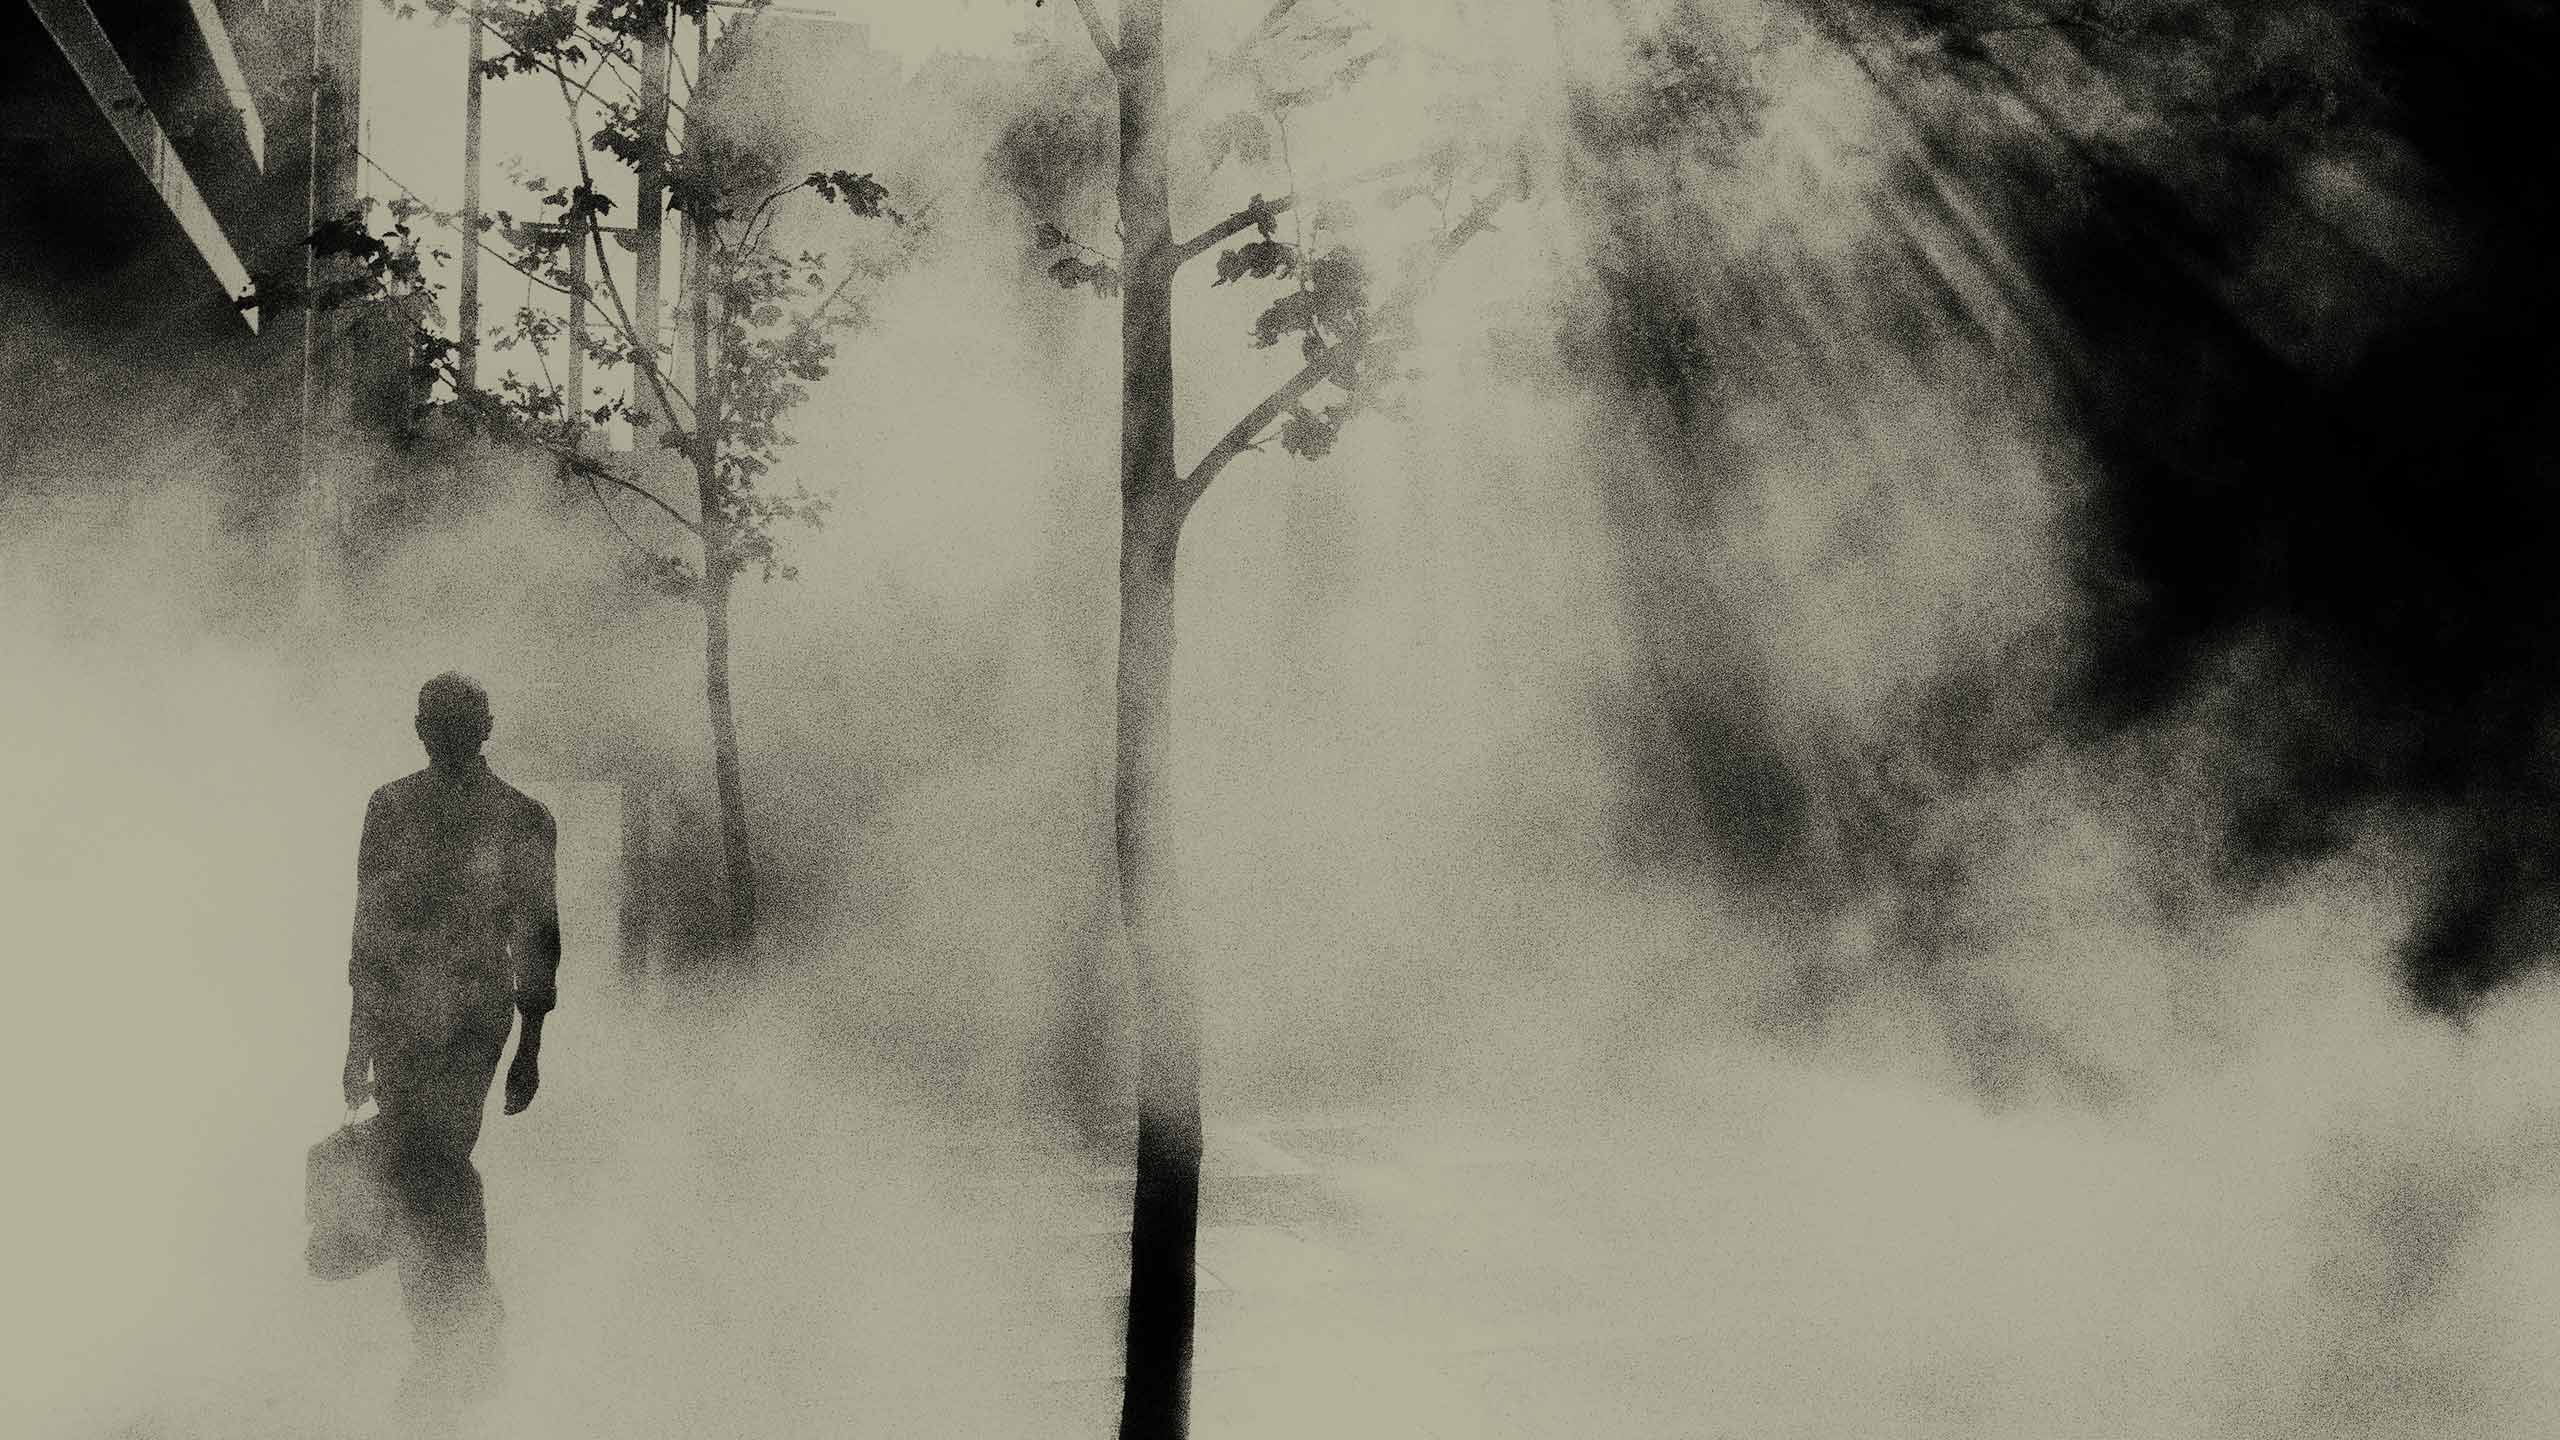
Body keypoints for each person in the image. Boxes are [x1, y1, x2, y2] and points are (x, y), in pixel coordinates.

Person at [341, 672, 561, 1411]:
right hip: (403, 1010)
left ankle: (459, 1325)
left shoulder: (523, 819)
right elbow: (368, 926)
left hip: (472, 1014)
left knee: (436, 1154)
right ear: (417, 728)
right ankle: (452, 1324)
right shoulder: (391, 808)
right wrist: (357, 1035)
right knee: (415, 1162)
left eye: (456, 719)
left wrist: (530, 1043)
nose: (442, 732)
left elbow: (538, 934)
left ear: (487, 726)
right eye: (432, 720)